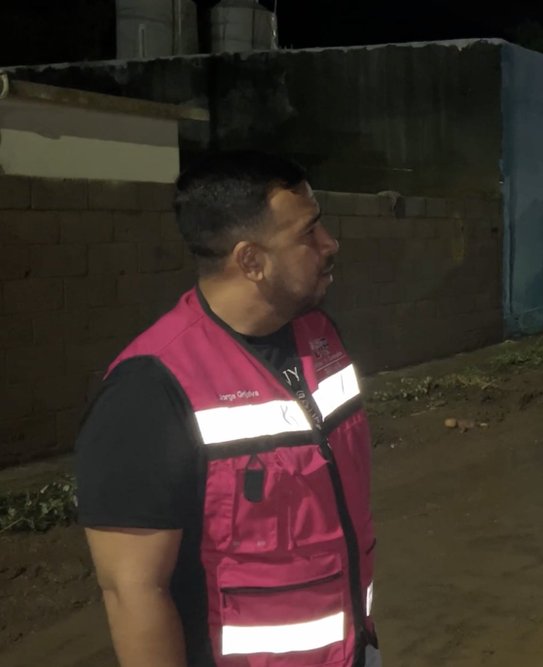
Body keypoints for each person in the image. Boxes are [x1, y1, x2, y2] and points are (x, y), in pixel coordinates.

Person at [74, 151, 381, 667]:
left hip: (354, 653)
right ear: (251, 261)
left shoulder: (319, 335)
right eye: (308, 234)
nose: (330, 244)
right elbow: (133, 591)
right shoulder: (149, 392)